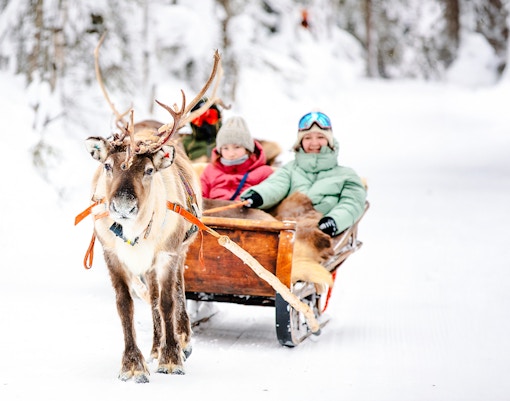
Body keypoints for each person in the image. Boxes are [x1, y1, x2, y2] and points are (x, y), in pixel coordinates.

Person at [241, 111, 366, 236]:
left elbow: (352, 204)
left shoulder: (346, 176)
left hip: (320, 233)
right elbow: (275, 185)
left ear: (330, 141)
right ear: (300, 142)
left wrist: (333, 221)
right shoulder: (289, 170)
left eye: (320, 137)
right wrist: (258, 196)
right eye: (308, 138)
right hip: (285, 230)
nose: (314, 143)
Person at [200, 116, 274, 201]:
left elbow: (270, 194)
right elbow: (200, 195)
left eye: (237, 147)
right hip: (213, 211)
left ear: (247, 149)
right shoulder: (209, 171)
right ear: (219, 150)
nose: (231, 154)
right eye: (225, 148)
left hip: (247, 212)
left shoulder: (264, 172)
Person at [181, 97, 222, 162]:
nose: (205, 123)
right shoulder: (184, 143)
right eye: (198, 119)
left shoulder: (227, 142)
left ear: (219, 118)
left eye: (210, 117)